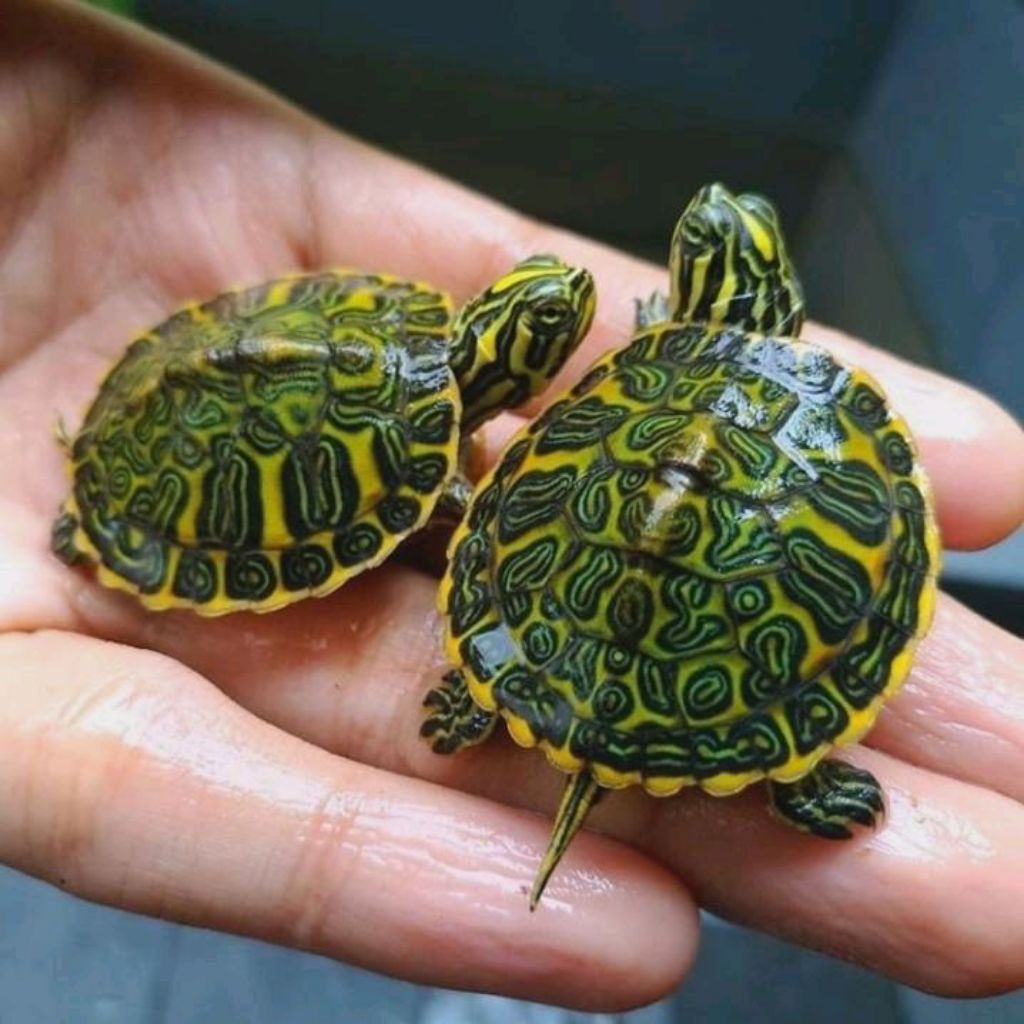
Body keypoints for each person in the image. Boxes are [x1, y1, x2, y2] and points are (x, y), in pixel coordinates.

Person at [1, 0, 1022, 1012]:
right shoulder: (778, 407)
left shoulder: (620, 374)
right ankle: (780, 759)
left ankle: (580, 709)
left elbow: (555, 472)